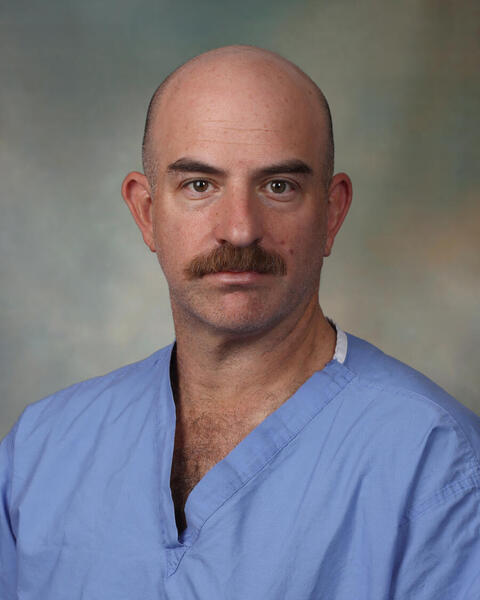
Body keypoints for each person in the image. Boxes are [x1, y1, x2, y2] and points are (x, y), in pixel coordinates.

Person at [1, 45, 479, 599]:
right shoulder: (42, 449)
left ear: (332, 213)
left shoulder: (437, 466)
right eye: (199, 185)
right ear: (146, 212)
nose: (240, 229)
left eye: (279, 186)